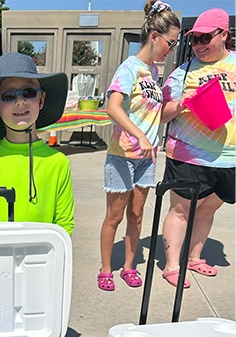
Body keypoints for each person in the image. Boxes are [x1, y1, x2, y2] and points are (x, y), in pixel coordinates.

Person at [97, 1, 180, 291]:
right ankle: (106, 268)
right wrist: (140, 137)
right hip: (122, 155)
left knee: (137, 213)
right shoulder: (129, 68)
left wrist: (182, 107)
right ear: (155, 37)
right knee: (115, 215)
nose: (172, 48)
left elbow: (155, 114)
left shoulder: (154, 74)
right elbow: (113, 108)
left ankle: (129, 266)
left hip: (148, 159)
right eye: (171, 41)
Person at [160, 7, 235, 288]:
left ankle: (194, 258)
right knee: (180, 211)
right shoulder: (184, 71)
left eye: (205, 38)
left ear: (224, 34)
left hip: (228, 157)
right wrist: (181, 103)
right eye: (194, 40)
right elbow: (161, 113)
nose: (199, 45)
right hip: (188, 154)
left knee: (207, 211)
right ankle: (171, 265)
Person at [0, 52, 75, 235]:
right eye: (9, 96)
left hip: (42, 259)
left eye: (29, 92)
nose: (20, 102)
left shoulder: (58, 162)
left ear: (41, 100)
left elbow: (64, 225)